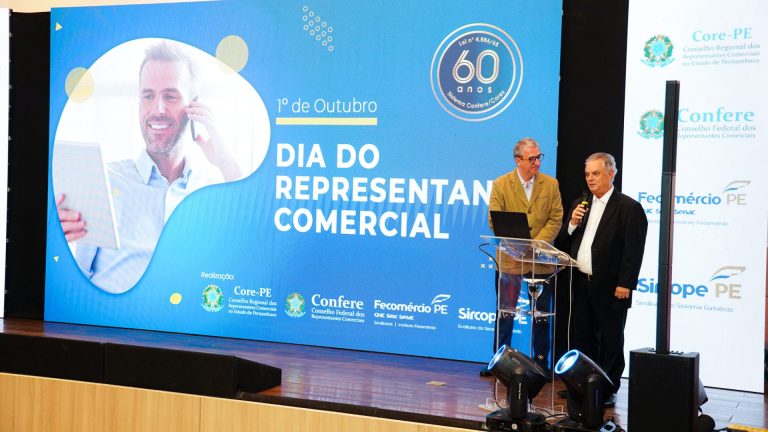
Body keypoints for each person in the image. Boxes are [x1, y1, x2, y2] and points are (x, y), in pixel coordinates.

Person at [56, 41, 243, 294]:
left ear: (194, 106)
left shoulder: (212, 191)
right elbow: (74, 282)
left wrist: (226, 162)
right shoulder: (104, 182)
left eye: (170, 96)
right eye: (148, 96)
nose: (158, 109)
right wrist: (58, 242)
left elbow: (249, 251)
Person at [558, 152, 647, 407]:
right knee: (582, 337)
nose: (590, 179)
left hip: (611, 286)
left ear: (611, 174)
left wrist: (625, 283)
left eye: (596, 173)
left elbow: (633, 250)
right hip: (581, 283)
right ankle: (582, 384)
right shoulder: (580, 204)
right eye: (587, 174)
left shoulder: (628, 207)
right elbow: (563, 241)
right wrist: (572, 223)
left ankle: (607, 388)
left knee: (610, 340)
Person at [483, 138, 563, 376]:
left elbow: (556, 219)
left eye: (539, 157)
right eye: (532, 159)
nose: (537, 162)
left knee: (541, 316)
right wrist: (519, 247)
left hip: (541, 262)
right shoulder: (501, 184)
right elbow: (494, 219)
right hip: (510, 261)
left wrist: (535, 245)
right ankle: (499, 363)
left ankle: (541, 364)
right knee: (505, 313)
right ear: (518, 160)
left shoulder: (551, 184)